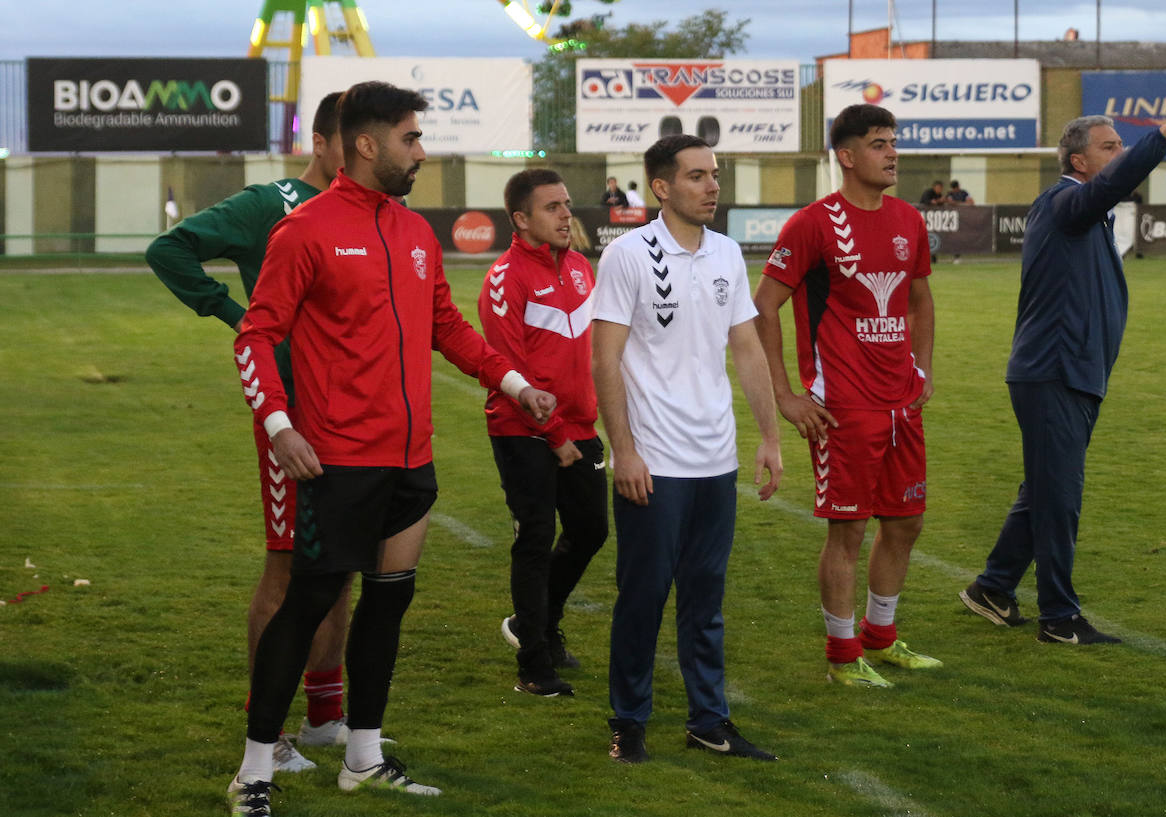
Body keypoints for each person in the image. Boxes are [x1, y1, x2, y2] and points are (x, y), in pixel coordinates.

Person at [225, 81, 556, 815]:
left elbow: (448, 325)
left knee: (386, 609)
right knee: (308, 604)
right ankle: (254, 770)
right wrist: (281, 427)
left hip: (410, 460)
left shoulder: (413, 232)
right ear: (367, 143)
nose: (421, 150)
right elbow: (256, 334)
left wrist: (511, 381)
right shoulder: (305, 229)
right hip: (338, 458)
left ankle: (363, 758)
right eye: (411, 138)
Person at [958, 83, 1166, 645]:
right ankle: (1059, 617)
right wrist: (1165, 134)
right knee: (1059, 498)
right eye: (1109, 146)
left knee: (1045, 491)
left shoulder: (1086, 215)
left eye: (1122, 143)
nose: (1119, 154)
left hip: (1070, 373)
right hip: (1054, 372)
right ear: (1080, 161)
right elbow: (1118, 182)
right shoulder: (1065, 202)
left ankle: (994, 588)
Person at [146, 92, 353, 773]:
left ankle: (326, 717)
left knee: (340, 565)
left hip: (354, 414)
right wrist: (233, 312)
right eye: (354, 135)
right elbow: (170, 249)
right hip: (288, 411)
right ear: (321, 142)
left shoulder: (372, 213)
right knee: (287, 563)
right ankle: (271, 733)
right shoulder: (271, 202)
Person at [593, 134, 782, 764]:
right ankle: (629, 720)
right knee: (643, 596)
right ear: (662, 188)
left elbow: (748, 349)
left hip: (715, 459)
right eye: (698, 176)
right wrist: (624, 450)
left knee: (706, 599)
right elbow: (606, 358)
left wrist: (769, 437)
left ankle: (709, 719)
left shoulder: (729, 253)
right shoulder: (626, 256)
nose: (712, 186)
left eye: (715, 175)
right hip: (654, 460)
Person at [754, 103, 941, 689]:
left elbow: (919, 300)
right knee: (849, 530)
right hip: (843, 405)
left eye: (894, 143)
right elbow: (763, 305)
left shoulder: (909, 219)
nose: (893, 154)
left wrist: (924, 369)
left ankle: (881, 639)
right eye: (880, 143)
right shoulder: (812, 224)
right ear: (848, 155)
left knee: (906, 521)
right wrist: (785, 393)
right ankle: (842, 656)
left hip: (899, 399)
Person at [481, 169, 607, 698]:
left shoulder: (580, 267)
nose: (565, 215)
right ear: (521, 218)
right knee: (533, 539)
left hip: (580, 428)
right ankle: (534, 664)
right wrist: (553, 434)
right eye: (552, 207)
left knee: (591, 531)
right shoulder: (504, 277)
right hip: (522, 429)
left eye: (566, 204)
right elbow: (512, 369)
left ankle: (536, 620)